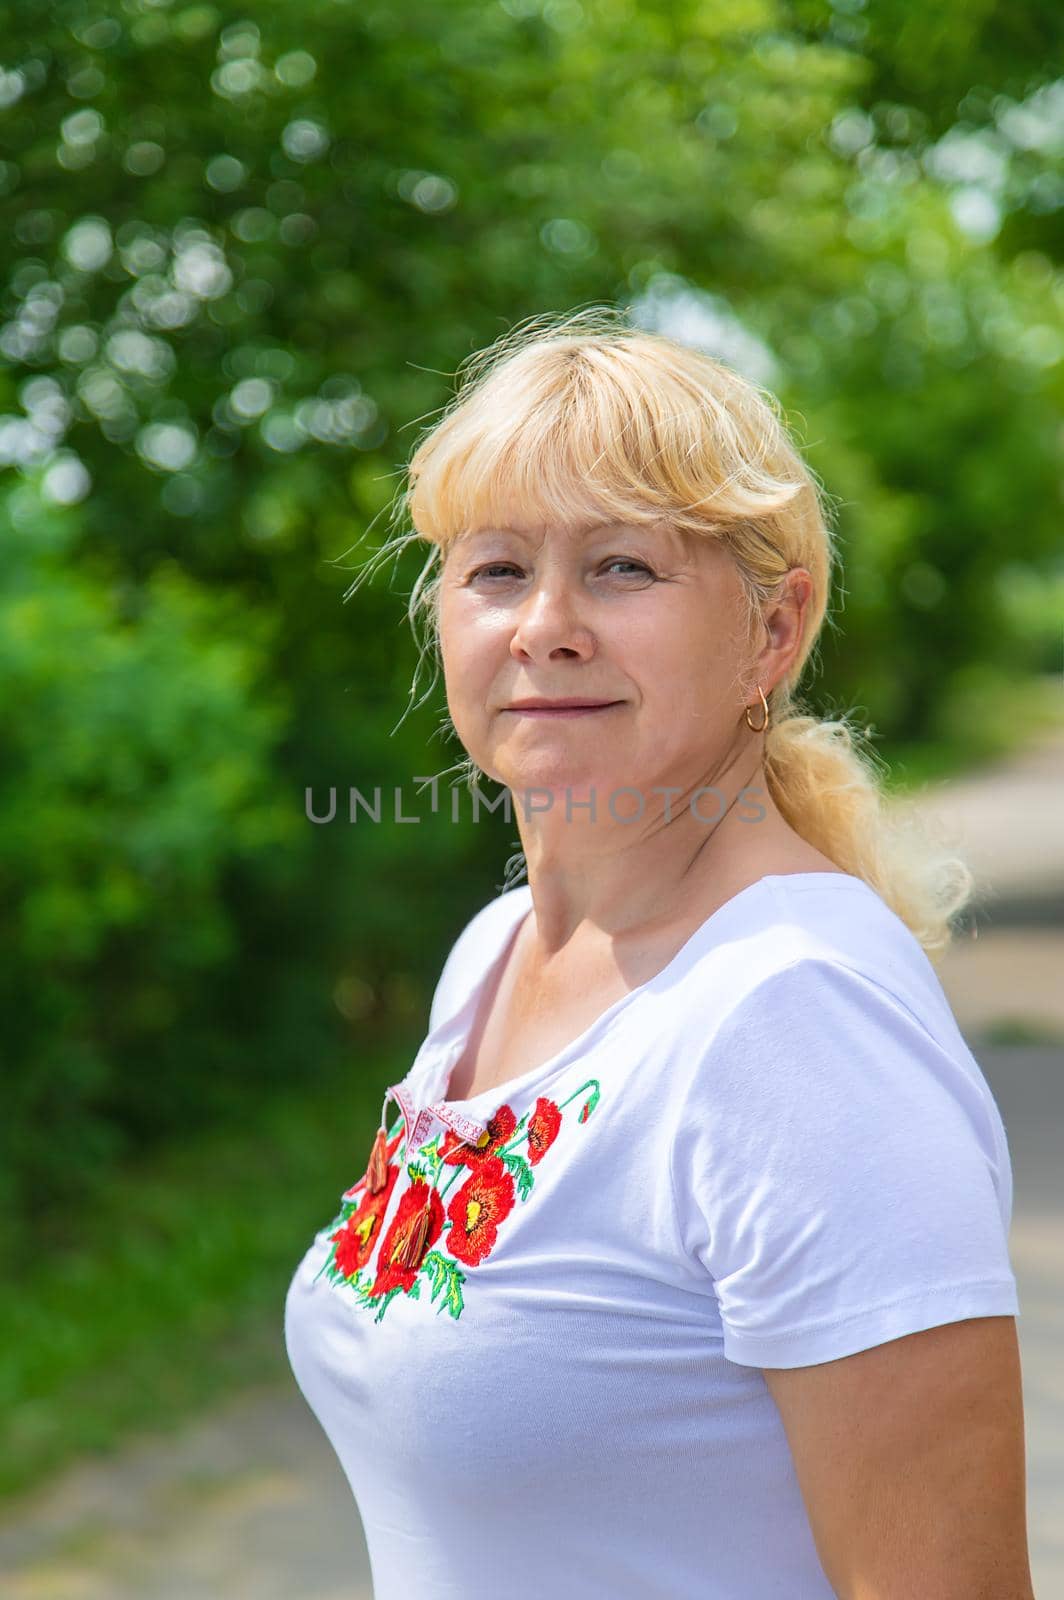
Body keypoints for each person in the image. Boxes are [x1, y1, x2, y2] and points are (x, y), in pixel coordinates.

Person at [284, 308, 1034, 1599]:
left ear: (773, 630)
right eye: (498, 570)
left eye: (623, 568)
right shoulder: (494, 953)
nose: (547, 626)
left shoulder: (794, 1018)